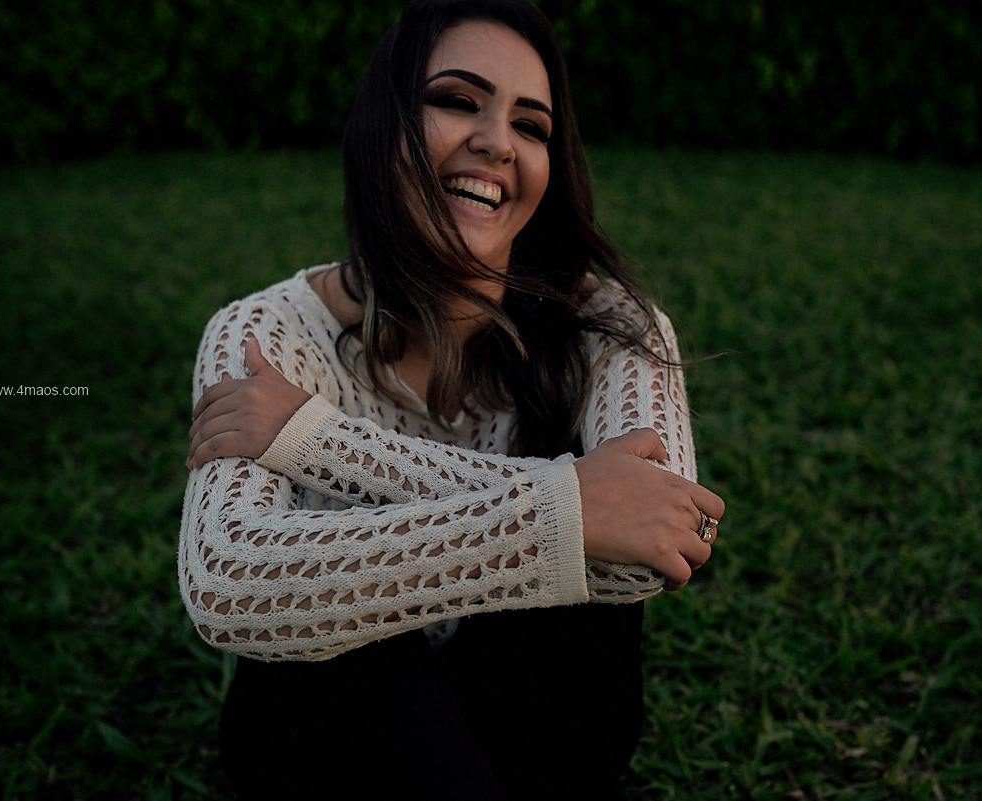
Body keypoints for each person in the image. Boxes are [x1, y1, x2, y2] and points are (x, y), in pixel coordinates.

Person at [179, 1, 725, 797]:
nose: (498, 142)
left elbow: (659, 539)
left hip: (527, 722)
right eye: (457, 100)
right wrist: (575, 505)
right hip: (328, 731)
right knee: (350, 617)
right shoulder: (263, 334)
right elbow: (229, 582)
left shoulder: (613, 325)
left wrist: (321, 442)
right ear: (384, 128)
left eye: (531, 126)